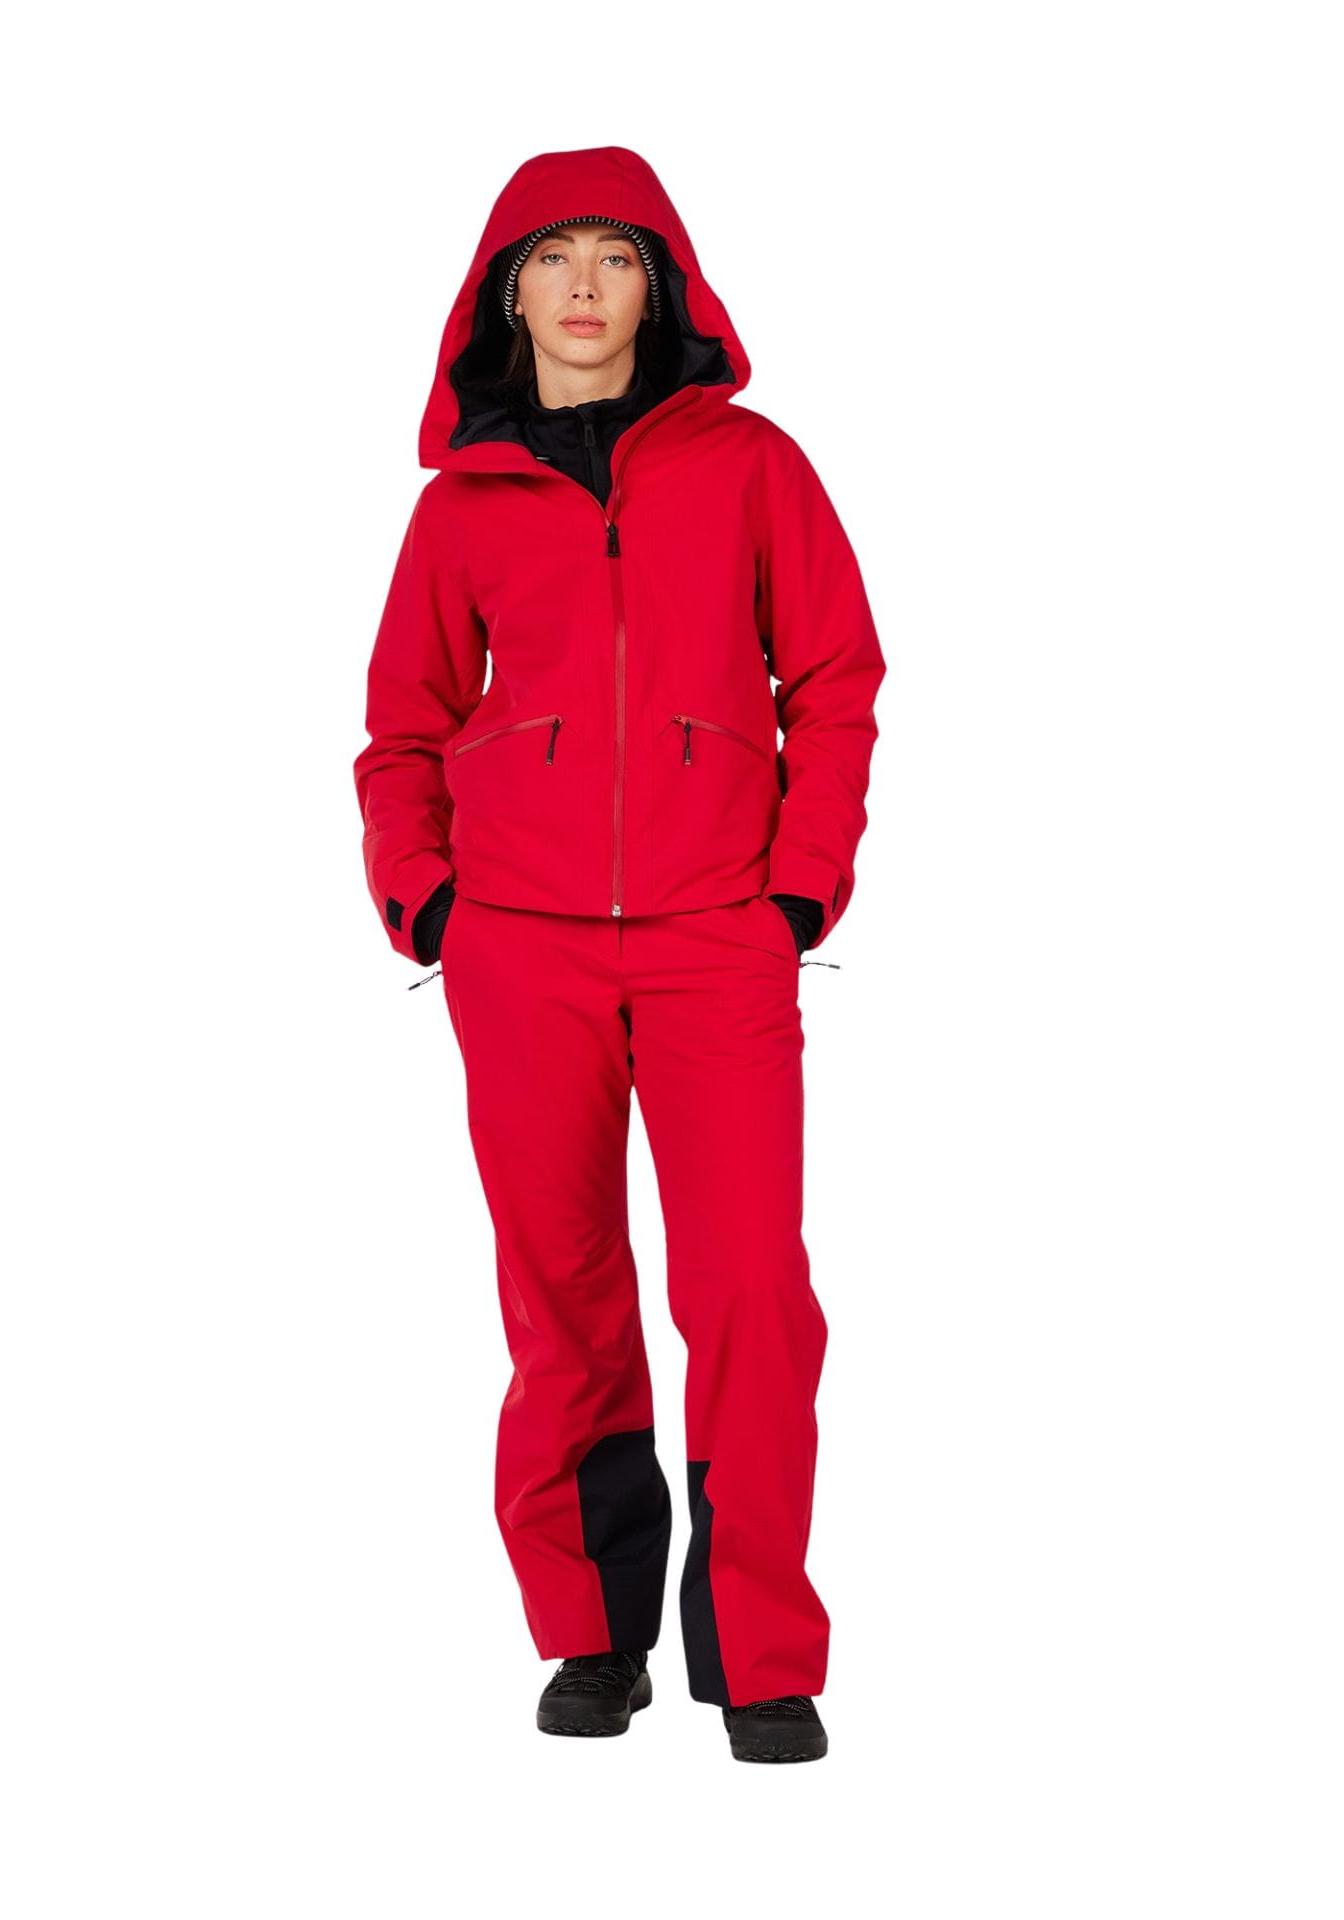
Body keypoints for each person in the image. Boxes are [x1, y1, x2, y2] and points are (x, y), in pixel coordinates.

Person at [352, 145, 886, 1764]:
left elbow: (837, 680)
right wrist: (428, 902)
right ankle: (594, 1636)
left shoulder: (755, 468)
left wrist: (798, 894)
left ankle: (763, 1654)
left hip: (722, 938)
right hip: (520, 954)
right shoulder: (460, 508)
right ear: (506, 294)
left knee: (750, 1292)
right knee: (564, 1296)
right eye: (553, 257)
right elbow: (400, 728)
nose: (584, 285)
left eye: (617, 256)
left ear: (662, 287)